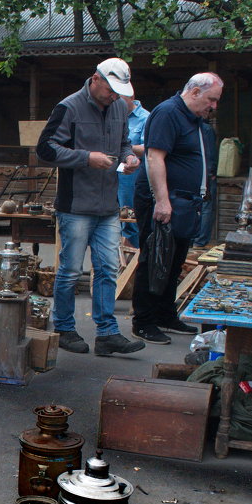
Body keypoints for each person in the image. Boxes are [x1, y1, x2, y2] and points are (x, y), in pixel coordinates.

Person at [36, 58, 145, 357]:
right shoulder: (69, 107)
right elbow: (45, 148)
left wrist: (129, 158)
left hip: (109, 205)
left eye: (118, 92)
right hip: (75, 205)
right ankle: (64, 328)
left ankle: (107, 333)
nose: (114, 96)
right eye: (111, 90)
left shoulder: (120, 108)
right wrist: (86, 158)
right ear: (95, 79)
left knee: (108, 269)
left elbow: (124, 143)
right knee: (70, 270)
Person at [131, 72, 225, 345]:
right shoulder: (168, 112)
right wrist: (162, 200)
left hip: (185, 202)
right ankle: (144, 320)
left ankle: (165, 314)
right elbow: (154, 157)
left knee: (173, 261)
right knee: (154, 258)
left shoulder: (194, 119)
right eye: (211, 100)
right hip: (163, 199)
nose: (214, 106)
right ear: (194, 92)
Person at [117, 94, 149, 248]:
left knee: (131, 221)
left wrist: (124, 147)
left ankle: (134, 263)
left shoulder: (145, 118)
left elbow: (148, 149)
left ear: (131, 97)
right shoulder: (113, 115)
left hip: (132, 178)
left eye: (119, 99)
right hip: (111, 176)